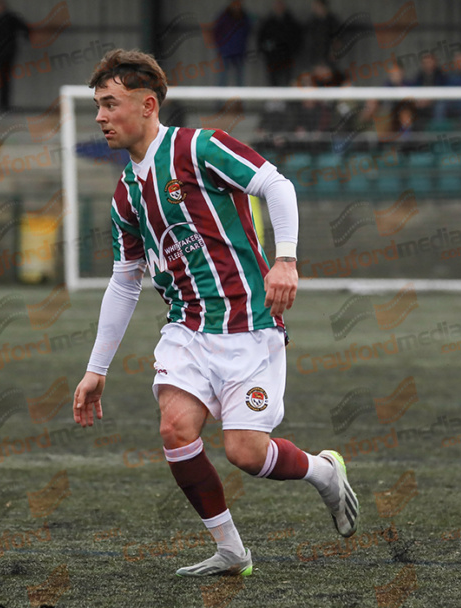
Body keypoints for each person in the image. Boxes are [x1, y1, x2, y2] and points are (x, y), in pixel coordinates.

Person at [73, 49, 359, 577]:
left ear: (147, 104)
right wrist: (96, 369)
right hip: (186, 330)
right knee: (176, 429)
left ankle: (322, 472)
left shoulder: (199, 147)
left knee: (246, 454)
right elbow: (124, 282)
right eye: (97, 105)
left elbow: (277, 184)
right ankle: (231, 550)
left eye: (109, 104)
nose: (100, 117)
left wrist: (286, 260)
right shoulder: (125, 197)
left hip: (249, 325)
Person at [0, 0, 30, 111]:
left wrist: (26, 38)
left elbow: (25, 28)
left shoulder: (11, 18)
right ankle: (3, 105)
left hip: (8, 53)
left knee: (5, 79)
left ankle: (5, 104)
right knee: (2, 79)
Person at [256, 0, 302, 87]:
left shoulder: (291, 22)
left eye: (280, 6)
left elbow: (297, 39)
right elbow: (261, 39)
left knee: (288, 83)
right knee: (273, 84)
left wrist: (293, 52)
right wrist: (265, 52)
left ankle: (287, 100)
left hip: (287, 58)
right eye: (277, 6)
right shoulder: (268, 23)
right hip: (272, 59)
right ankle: (275, 101)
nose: (278, 8)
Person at [212, 1, 252, 87]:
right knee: (222, 79)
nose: (236, 7)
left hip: (239, 52)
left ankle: (239, 100)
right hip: (225, 52)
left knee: (240, 80)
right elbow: (216, 32)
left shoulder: (244, 17)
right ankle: (219, 100)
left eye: (238, 5)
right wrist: (221, 46)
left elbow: (248, 31)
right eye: (235, 4)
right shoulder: (224, 16)